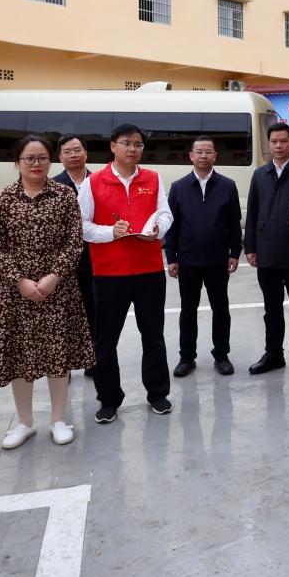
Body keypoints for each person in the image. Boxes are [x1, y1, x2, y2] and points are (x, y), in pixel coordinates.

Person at [0, 135, 96, 449]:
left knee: (57, 355)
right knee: (21, 357)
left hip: (57, 290)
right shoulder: (3, 198)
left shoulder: (64, 195)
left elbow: (75, 243)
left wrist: (54, 276)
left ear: (50, 161)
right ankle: (25, 422)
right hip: (15, 293)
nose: (36, 164)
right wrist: (20, 281)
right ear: (17, 162)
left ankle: (58, 419)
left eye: (42, 158)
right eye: (29, 158)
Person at [78, 123, 174, 423]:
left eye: (138, 144)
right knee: (105, 341)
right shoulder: (93, 183)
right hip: (110, 273)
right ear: (113, 146)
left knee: (153, 336)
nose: (132, 149)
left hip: (148, 271)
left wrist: (158, 230)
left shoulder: (154, 178)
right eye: (126, 143)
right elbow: (81, 226)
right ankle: (109, 398)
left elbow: (166, 213)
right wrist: (111, 232)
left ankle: (157, 393)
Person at [165, 135, 243, 377]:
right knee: (188, 310)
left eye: (208, 152)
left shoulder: (227, 185)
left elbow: (233, 222)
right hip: (188, 260)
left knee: (221, 308)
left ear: (215, 156)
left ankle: (222, 355)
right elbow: (172, 225)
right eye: (198, 152)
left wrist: (234, 253)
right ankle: (186, 357)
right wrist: (172, 257)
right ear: (190, 156)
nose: (203, 156)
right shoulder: (178, 187)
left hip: (218, 259)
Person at [243, 121, 289, 379]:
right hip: (267, 254)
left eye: (283, 141)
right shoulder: (260, 175)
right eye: (273, 141)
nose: (278, 146)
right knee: (271, 308)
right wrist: (250, 246)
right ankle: (273, 353)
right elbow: (253, 212)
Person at [53, 133, 95, 377]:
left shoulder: (99, 180)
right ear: (60, 157)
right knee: (64, 314)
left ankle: (93, 361)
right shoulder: (54, 186)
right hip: (65, 263)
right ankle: (64, 365)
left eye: (77, 150)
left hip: (96, 259)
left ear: (86, 153)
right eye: (67, 152)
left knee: (94, 312)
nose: (73, 155)